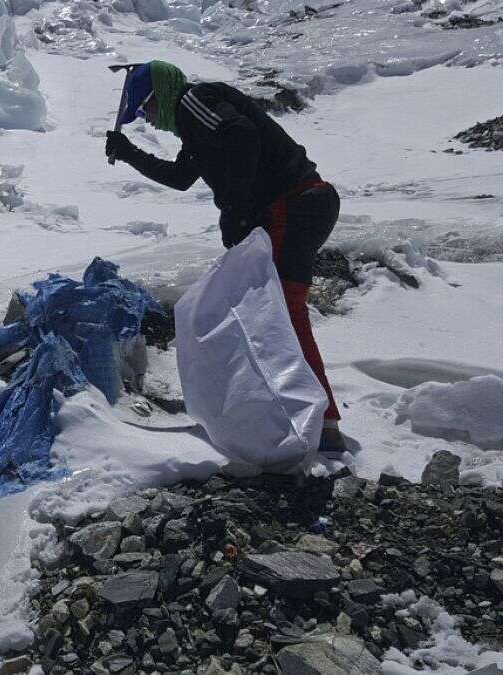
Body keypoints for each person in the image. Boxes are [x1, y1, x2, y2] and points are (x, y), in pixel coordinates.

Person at [104, 60, 346, 455]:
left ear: (160, 95)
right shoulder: (195, 128)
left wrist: (236, 209)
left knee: (285, 311)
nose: (146, 119)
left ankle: (322, 421)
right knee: (274, 311)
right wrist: (130, 153)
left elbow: (241, 135)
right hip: (301, 204)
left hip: (294, 203)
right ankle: (305, 413)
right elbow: (181, 178)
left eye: (145, 108)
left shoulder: (193, 100)